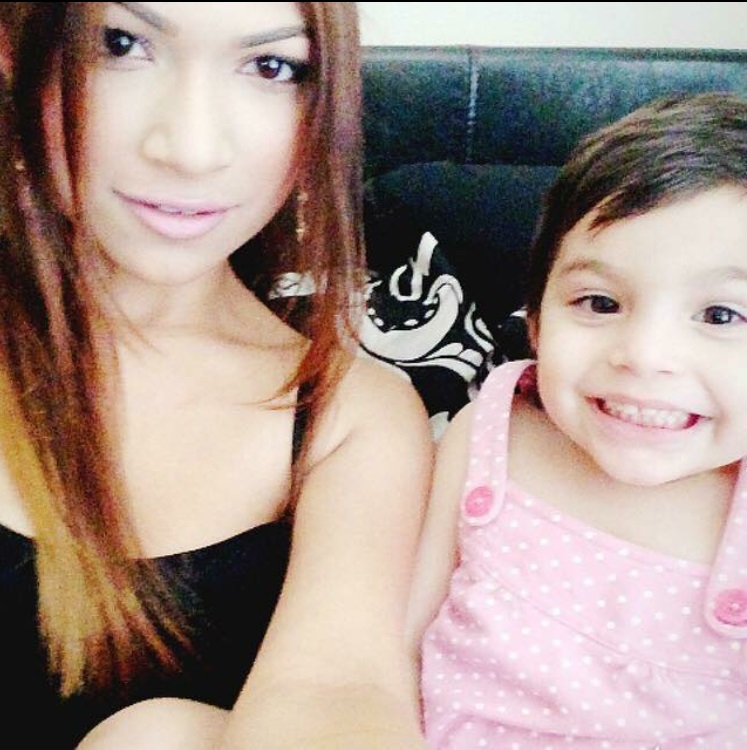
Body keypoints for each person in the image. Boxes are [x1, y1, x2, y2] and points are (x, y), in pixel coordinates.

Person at [0, 3, 432, 749]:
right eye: (121, 44)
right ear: (14, 52)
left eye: (271, 66)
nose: (192, 149)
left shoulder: (348, 417)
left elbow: (341, 689)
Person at [408, 92, 747, 748]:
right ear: (535, 320)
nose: (643, 355)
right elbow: (393, 647)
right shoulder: (492, 431)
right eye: (598, 302)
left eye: (721, 315)